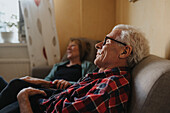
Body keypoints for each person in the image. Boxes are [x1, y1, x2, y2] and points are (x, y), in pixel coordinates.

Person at [0, 24, 150, 113]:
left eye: (105, 42)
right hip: (47, 99)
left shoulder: (112, 85)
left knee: (17, 86)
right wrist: (45, 83)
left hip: (38, 106)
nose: (98, 46)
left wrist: (24, 100)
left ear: (124, 51)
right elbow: (74, 92)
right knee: (14, 83)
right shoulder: (103, 77)